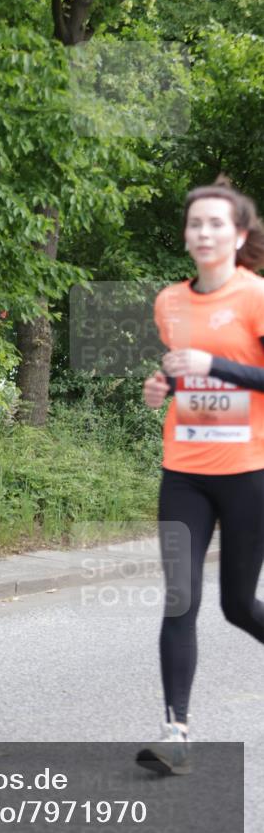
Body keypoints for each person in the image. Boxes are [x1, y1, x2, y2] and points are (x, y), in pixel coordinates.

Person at [136, 177, 264, 775]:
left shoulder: (256, 297)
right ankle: (176, 732)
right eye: (195, 224)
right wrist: (164, 386)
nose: (204, 232)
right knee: (180, 598)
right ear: (186, 235)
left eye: (217, 224)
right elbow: (188, 382)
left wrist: (214, 364)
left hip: (247, 474)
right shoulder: (169, 302)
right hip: (183, 472)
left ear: (238, 235)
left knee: (238, 605)